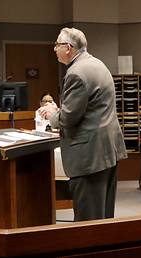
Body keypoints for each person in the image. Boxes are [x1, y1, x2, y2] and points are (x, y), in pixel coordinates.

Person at [38, 28, 127, 221]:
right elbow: (88, 109)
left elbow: (67, 119)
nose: (54, 49)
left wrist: (53, 114)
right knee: (103, 216)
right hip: (107, 152)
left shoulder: (76, 73)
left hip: (90, 157)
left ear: (68, 48)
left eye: (57, 45)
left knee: (88, 221)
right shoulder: (98, 64)